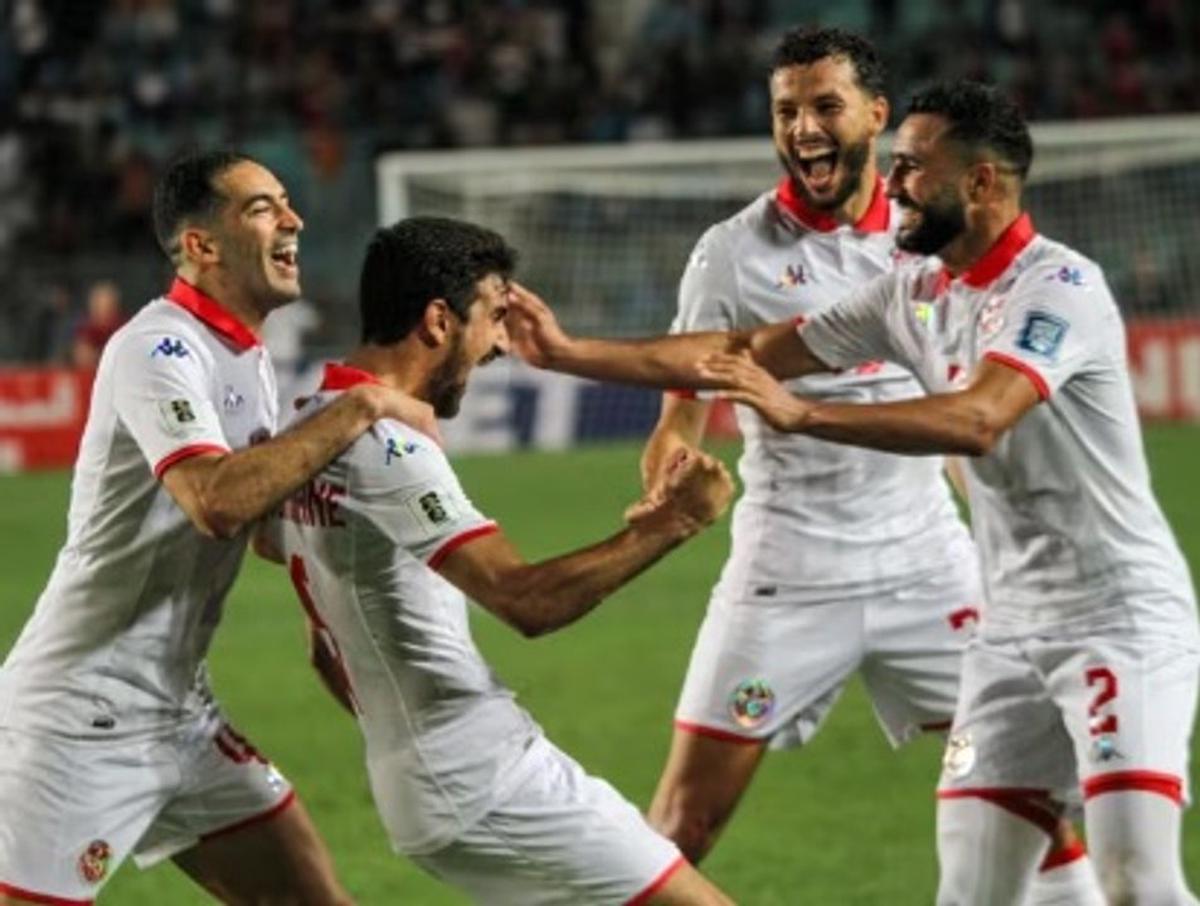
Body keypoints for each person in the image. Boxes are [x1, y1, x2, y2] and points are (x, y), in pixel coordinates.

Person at [505, 81, 1199, 905]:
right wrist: (568, 352)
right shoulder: (915, 292)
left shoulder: (1058, 289)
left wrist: (804, 414)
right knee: (972, 888)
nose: (892, 184)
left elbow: (978, 419)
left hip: (1115, 620)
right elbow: (738, 351)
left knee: (1136, 881)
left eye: (912, 167)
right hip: (1007, 637)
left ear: (980, 182)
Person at [643, 26, 1094, 903]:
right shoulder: (730, 253)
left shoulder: (935, 237)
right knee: (682, 825)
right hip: (787, 574)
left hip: (929, 567)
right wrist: (672, 459)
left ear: (877, 116)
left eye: (825, 106)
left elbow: (960, 403)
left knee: (1031, 797)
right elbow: (681, 408)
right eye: (786, 111)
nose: (803, 127)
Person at [0, 149, 436, 905]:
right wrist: (361, 406)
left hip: (180, 712)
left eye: (287, 201)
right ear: (201, 245)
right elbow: (214, 500)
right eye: (262, 207)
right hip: (78, 717)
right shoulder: (156, 347)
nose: (294, 220)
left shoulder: (245, 355)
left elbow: (259, 525)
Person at [260, 216, 736, 905]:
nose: (500, 346)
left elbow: (322, 647)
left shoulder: (308, 424)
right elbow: (525, 600)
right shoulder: (387, 446)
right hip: (483, 778)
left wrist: (404, 739)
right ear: (438, 320)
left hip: (427, 778)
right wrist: (677, 521)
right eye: (491, 319)